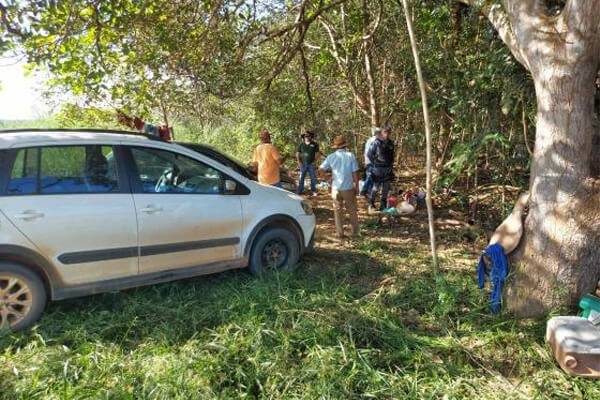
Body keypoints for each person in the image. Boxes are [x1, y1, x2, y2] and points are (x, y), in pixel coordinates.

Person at [319, 135, 360, 238]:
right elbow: (355, 172)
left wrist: (328, 179)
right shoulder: (350, 156)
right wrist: (357, 186)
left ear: (336, 147)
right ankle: (355, 232)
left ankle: (340, 233)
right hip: (348, 187)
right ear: (345, 146)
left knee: (337, 211)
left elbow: (320, 169)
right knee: (352, 210)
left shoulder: (331, 157)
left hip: (335, 188)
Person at [367, 126, 395, 211]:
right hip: (378, 169)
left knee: (385, 188)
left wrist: (390, 165)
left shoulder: (391, 143)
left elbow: (392, 155)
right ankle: (371, 203)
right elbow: (369, 154)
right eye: (385, 132)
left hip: (387, 168)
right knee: (375, 187)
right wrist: (375, 163)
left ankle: (383, 205)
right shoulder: (376, 143)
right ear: (382, 133)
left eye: (388, 132)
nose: (387, 134)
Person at [296, 130, 320, 196]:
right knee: (301, 177)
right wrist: (299, 162)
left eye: (308, 136)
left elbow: (317, 154)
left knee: (313, 177)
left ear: (311, 137)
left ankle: (313, 190)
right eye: (305, 136)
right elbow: (297, 154)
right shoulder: (301, 144)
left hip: (311, 164)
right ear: (304, 137)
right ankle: (300, 190)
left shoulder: (315, 144)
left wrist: (315, 162)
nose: (306, 137)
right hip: (303, 164)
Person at [359, 127, 381, 198]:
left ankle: (369, 192)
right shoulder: (375, 140)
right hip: (372, 161)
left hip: (368, 161)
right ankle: (363, 190)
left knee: (371, 177)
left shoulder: (369, 140)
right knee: (370, 176)